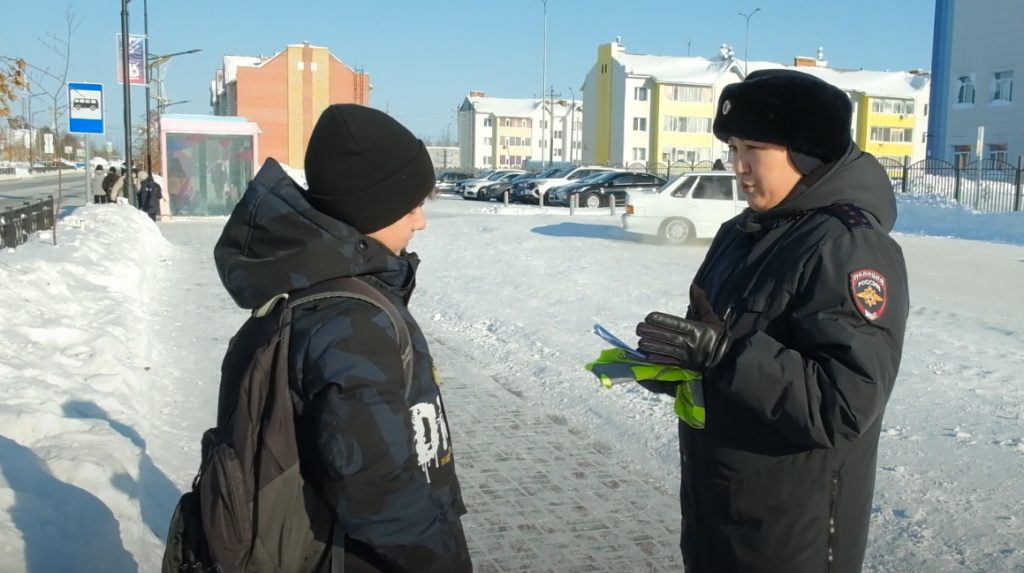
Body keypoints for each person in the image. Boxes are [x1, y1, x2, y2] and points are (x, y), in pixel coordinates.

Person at [633, 69, 909, 573]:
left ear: (806, 154)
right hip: (718, 510)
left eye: (752, 149)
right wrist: (678, 365)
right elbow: (722, 356)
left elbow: (843, 406)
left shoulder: (846, 245)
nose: (737, 167)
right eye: (732, 148)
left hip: (788, 535)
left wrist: (725, 354)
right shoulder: (740, 232)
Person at [213, 103, 472, 572]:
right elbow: (380, 492)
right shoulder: (352, 324)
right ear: (372, 207)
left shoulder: (320, 285)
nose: (421, 222)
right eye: (412, 206)